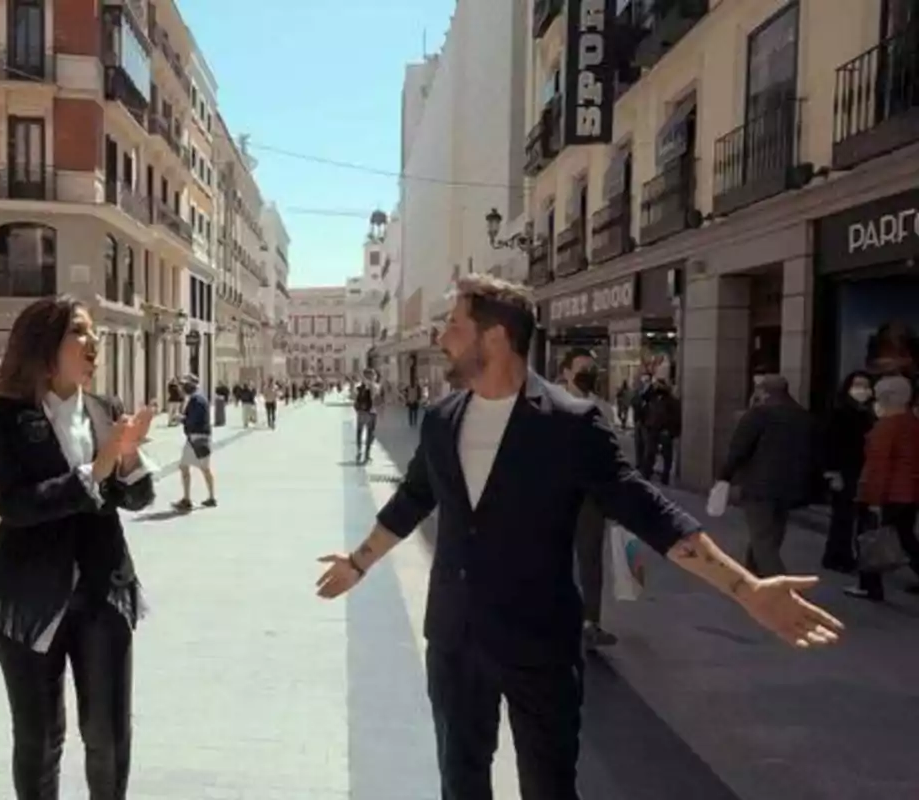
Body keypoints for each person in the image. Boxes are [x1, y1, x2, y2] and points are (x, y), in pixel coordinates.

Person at [315, 274, 842, 800]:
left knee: (549, 788)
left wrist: (745, 587)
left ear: (494, 338)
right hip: (455, 640)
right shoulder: (441, 420)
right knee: (460, 781)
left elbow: (648, 511)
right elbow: (412, 499)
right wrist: (358, 563)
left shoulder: (571, 424)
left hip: (540, 643)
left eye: (454, 325)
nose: (441, 338)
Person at [0, 295, 157, 800]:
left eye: (94, 333)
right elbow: (17, 505)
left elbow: (134, 497)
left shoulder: (104, 410)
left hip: (103, 590)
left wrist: (130, 457)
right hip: (28, 596)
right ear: (46, 343)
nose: (93, 343)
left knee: (110, 736)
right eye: (79, 331)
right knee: (39, 739)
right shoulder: (7, 415)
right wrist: (94, 470)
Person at [712, 375, 819, 577]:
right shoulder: (803, 416)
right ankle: (752, 575)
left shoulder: (758, 415)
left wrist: (724, 476)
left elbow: (738, 449)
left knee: (762, 539)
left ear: (763, 391)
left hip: (759, 486)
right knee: (771, 535)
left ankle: (779, 586)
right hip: (790, 487)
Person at [559, 347, 617, 649]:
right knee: (553, 558)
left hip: (591, 501)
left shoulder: (603, 410)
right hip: (554, 498)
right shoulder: (548, 408)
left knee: (591, 562)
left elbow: (615, 456)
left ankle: (590, 622)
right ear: (566, 372)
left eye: (591, 369)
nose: (587, 375)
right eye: (582, 369)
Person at [847, 375, 919, 601]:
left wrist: (873, 500)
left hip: (889, 493)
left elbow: (879, 466)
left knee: (870, 537)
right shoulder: (912, 423)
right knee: (905, 537)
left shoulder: (887, 427)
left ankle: (869, 585)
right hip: (909, 492)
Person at [821, 371, 876, 573]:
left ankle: (844, 555)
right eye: (858, 385)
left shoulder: (868, 413)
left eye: (866, 385)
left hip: (863, 471)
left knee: (854, 516)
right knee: (842, 516)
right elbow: (830, 443)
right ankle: (837, 556)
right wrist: (832, 472)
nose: (862, 390)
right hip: (845, 471)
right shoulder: (840, 412)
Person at [174, 374, 217, 511]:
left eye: (184, 385)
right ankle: (207, 497)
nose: (182, 388)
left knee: (192, 467)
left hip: (197, 437)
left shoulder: (196, 399)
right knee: (190, 467)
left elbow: (192, 419)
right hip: (198, 437)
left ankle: (190, 499)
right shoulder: (199, 397)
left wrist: (181, 418)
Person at [353, 370, 380, 463]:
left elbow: (354, 399)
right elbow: (379, 401)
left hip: (361, 413)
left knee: (359, 433)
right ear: (373, 376)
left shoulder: (359, 387)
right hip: (372, 413)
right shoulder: (376, 387)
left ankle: (359, 450)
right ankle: (367, 455)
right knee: (370, 434)